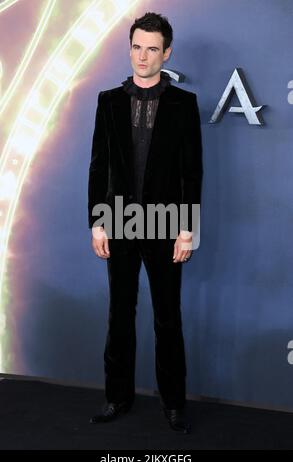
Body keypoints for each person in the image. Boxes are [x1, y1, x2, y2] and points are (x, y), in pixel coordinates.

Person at [88, 12, 203, 434]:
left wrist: (186, 229)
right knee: (119, 315)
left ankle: (174, 403)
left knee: (167, 317)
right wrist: (98, 223)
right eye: (137, 46)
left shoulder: (184, 104)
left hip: (166, 223)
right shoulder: (108, 101)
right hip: (117, 221)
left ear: (166, 53)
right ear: (130, 48)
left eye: (152, 48)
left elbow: (193, 172)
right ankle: (116, 397)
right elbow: (98, 168)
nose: (143, 55)